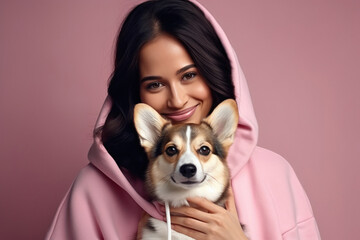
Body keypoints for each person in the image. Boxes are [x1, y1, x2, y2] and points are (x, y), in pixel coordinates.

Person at [45, 0, 321, 239]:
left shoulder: (274, 175)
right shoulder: (93, 190)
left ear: (214, 72)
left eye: (189, 75)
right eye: (155, 84)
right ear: (135, 92)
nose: (176, 100)